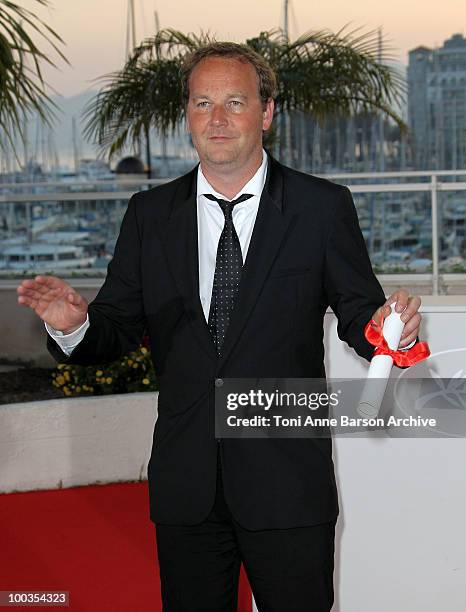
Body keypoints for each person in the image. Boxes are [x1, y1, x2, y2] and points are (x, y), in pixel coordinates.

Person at [17, 43, 422, 612]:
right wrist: (74, 325)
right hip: (188, 486)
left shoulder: (321, 208)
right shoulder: (150, 215)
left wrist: (390, 329)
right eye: (203, 103)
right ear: (188, 115)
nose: (218, 118)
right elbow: (113, 330)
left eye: (235, 101)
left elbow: (361, 316)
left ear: (267, 111)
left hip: (287, 482)